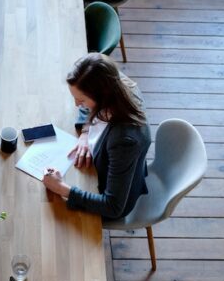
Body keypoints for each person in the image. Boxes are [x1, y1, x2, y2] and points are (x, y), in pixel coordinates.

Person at [42, 53, 151, 220]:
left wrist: (61, 188)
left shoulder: (124, 141)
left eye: (81, 100)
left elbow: (113, 206)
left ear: (102, 97)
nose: (77, 105)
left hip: (110, 197)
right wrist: (85, 133)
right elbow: (88, 107)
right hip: (101, 166)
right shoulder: (113, 81)